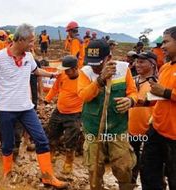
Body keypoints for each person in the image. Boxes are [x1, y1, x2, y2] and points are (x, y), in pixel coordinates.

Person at [0, 23, 68, 188]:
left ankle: (47, 176)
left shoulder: (29, 57)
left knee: (42, 140)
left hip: (26, 109)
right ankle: (7, 174)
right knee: (8, 144)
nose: (33, 45)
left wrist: (52, 74)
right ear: (20, 39)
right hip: (7, 110)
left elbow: (35, 71)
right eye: (30, 41)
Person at [78, 39, 137, 189]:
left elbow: (133, 92)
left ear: (108, 58)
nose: (94, 67)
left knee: (123, 167)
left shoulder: (124, 69)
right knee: (94, 168)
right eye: (91, 62)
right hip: (93, 130)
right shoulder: (85, 72)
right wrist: (99, 80)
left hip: (117, 129)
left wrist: (130, 100)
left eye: (98, 63)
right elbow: (84, 96)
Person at [140, 26, 176, 190]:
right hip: (156, 130)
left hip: (174, 138)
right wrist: (138, 102)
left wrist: (166, 92)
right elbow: (161, 98)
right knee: (149, 173)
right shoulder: (166, 67)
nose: (162, 46)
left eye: (166, 42)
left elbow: (166, 94)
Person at [44, 55, 83, 174]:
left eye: (68, 70)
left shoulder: (84, 79)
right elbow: (55, 88)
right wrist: (47, 99)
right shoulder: (62, 75)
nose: (65, 72)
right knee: (52, 134)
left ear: (76, 68)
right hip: (59, 111)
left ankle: (69, 161)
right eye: (64, 69)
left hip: (75, 114)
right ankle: (51, 155)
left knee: (71, 139)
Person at [128, 51, 157, 185]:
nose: (137, 64)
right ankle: (131, 182)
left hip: (149, 131)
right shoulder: (132, 81)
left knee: (149, 165)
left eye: (141, 62)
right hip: (131, 129)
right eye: (136, 61)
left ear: (152, 64)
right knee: (131, 159)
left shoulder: (157, 84)